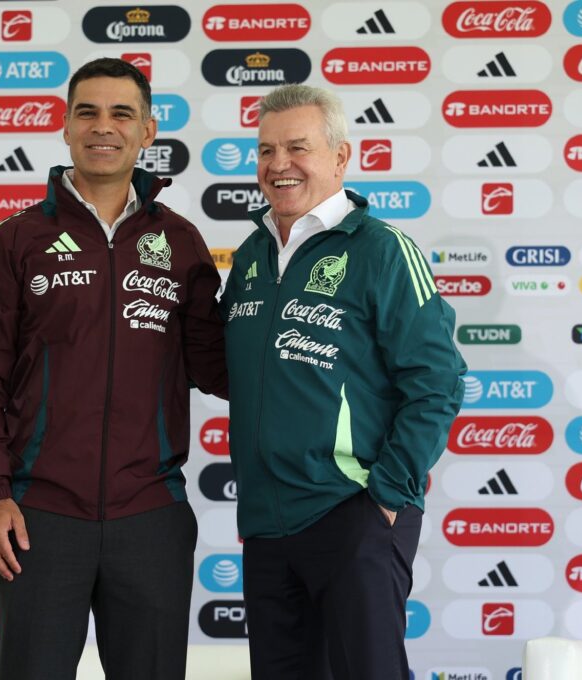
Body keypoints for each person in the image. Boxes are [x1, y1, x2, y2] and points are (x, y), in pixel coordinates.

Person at [0, 58, 226, 680]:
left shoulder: (182, 242)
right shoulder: (13, 240)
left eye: (122, 114)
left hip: (151, 516)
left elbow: (218, 368)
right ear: (66, 126)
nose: (104, 127)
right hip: (38, 517)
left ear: (148, 131)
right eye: (88, 112)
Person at [221, 84, 467, 679]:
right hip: (265, 524)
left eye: (297, 147)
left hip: (351, 510)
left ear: (339, 157)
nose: (279, 164)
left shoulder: (382, 249)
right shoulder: (251, 256)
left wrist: (385, 495)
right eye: (266, 150)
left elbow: (438, 379)